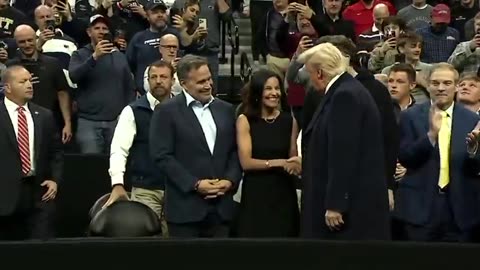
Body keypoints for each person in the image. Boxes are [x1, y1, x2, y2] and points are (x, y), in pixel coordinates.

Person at [299, 43, 390, 240]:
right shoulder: (349, 89)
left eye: (309, 74)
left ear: (320, 73)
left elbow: (343, 154)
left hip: (351, 210)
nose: (310, 82)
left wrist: (335, 203)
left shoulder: (344, 96)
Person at [150, 54, 242, 237]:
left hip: (221, 210)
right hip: (185, 212)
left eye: (209, 79)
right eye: (201, 82)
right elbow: (162, 156)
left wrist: (230, 181)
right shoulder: (166, 111)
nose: (208, 85)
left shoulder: (225, 109)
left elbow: (234, 151)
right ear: (183, 84)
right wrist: (195, 184)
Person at [395, 63, 480, 242]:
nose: (441, 88)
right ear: (428, 84)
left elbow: (475, 168)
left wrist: (474, 151)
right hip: (420, 208)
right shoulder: (410, 116)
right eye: (435, 83)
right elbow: (406, 157)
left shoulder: (472, 119)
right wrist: (431, 136)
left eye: (447, 83)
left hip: (459, 211)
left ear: (456, 86)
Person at [106, 60, 175, 237]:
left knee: (175, 243)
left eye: (163, 77)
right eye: (154, 77)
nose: (158, 81)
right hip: (146, 189)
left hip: (178, 190)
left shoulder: (182, 108)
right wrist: (117, 183)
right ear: (147, 80)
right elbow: (119, 149)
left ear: (173, 80)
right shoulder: (133, 110)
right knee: (145, 241)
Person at [235, 69, 301, 237]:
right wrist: (276, 163)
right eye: (268, 89)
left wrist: (298, 163)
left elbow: (292, 159)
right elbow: (246, 163)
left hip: (284, 192)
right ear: (258, 92)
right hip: (256, 192)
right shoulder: (245, 120)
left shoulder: (289, 120)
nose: (274, 93)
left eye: (277, 88)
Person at [0, 65, 62, 240]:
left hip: (38, 193)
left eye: (30, 80)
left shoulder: (44, 115)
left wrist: (54, 179)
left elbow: (56, 152)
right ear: (8, 87)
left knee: (39, 250)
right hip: (4, 194)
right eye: (23, 81)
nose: (29, 85)